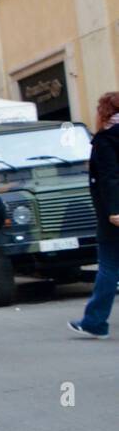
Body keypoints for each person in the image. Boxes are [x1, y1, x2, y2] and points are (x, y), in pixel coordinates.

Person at [70, 93, 119, 339]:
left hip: (114, 216)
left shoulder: (106, 139)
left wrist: (114, 210)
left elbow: (110, 177)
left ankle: (95, 321)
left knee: (109, 267)